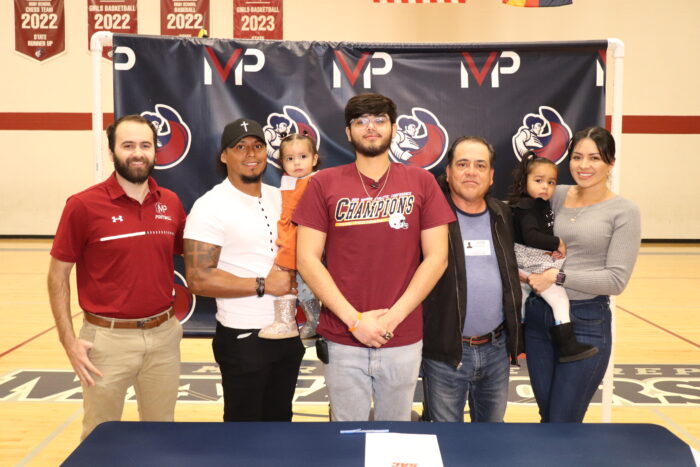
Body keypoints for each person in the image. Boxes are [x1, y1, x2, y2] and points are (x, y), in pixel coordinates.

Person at [294, 93, 454, 421]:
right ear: (348, 132)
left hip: (402, 335)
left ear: (393, 128)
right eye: (361, 121)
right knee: (346, 436)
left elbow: (437, 258)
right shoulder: (323, 183)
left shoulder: (421, 181)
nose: (371, 127)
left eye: (379, 119)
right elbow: (306, 260)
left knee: (396, 436)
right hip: (343, 337)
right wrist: (355, 321)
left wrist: (391, 319)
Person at [47, 114, 186, 439]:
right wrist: (68, 341)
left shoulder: (171, 202)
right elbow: (57, 277)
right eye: (128, 145)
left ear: (154, 151)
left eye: (145, 145)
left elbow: (194, 258)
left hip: (164, 336)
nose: (137, 153)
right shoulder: (82, 205)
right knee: (100, 436)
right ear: (112, 151)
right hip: (106, 341)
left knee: (162, 433)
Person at [183, 118, 304, 422]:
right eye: (240, 147)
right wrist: (264, 284)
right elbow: (198, 278)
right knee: (243, 434)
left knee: (280, 426)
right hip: (243, 337)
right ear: (225, 155)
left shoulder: (282, 197)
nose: (251, 153)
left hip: (288, 335)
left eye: (258, 146)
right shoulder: (209, 206)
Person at [525, 126, 641, 422]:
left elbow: (616, 280)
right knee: (547, 416)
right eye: (577, 157)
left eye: (594, 158)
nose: (584, 166)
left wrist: (558, 276)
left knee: (563, 421)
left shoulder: (624, 211)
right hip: (540, 317)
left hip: (587, 321)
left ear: (610, 162)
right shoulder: (555, 194)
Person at [421, 136, 523, 423]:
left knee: (491, 441)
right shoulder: (431, 217)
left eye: (480, 165)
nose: (471, 171)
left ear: (491, 177)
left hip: (496, 350)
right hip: (446, 352)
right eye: (462, 164)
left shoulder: (502, 214)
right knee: (444, 440)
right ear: (449, 173)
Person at [509, 151, 598, 362]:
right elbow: (531, 236)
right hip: (530, 261)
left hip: (526, 261)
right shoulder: (527, 206)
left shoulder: (537, 204)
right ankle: (566, 344)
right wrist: (557, 242)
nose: (545, 187)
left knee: (519, 301)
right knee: (559, 299)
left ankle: (517, 345)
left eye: (551, 182)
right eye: (538, 180)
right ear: (524, 181)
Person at [259, 133, 322, 339]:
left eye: (302, 157)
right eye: (290, 158)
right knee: (292, 284)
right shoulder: (286, 184)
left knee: (302, 283)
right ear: (281, 163)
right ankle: (293, 321)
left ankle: (312, 322)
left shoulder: (316, 182)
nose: (296, 163)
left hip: (303, 243)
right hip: (286, 240)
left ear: (314, 159)